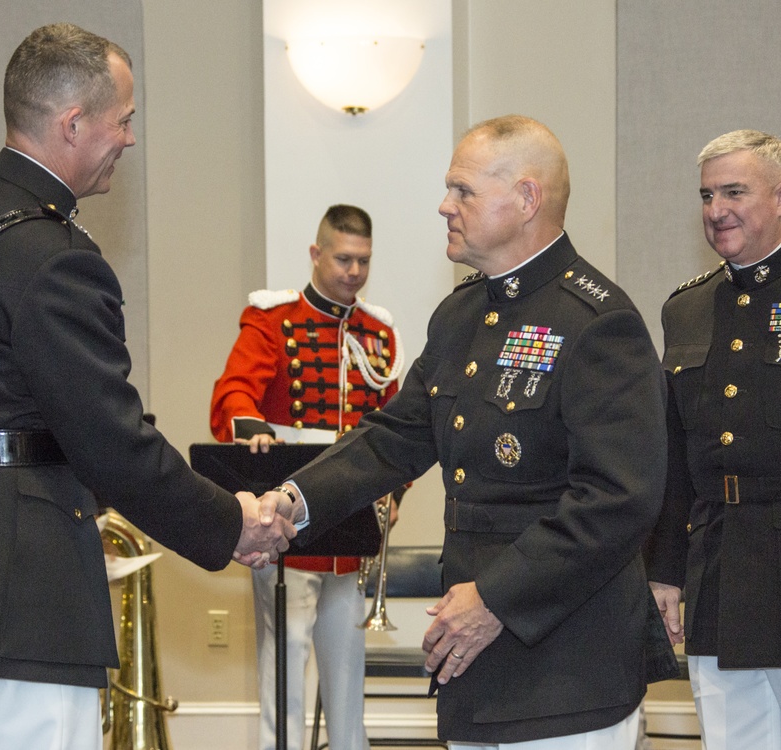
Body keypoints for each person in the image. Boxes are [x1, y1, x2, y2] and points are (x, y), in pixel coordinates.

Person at [0, 23, 295, 750]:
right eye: (123, 121)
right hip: (25, 599)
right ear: (73, 124)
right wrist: (230, 523)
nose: (129, 138)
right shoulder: (58, 257)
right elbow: (110, 441)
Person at [259, 115, 671, 748]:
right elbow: (394, 434)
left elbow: (618, 499)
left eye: (463, 191)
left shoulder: (597, 321)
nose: (444, 206)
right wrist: (289, 501)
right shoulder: (461, 314)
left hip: (566, 670)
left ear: (527, 199)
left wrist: (497, 599)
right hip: (474, 663)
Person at [210, 204, 404, 750]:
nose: (354, 272)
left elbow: (398, 429)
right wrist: (252, 434)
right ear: (316, 254)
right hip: (287, 533)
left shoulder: (378, 334)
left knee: (348, 678)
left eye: (363, 261)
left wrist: (393, 492)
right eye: (343, 258)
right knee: (285, 674)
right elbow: (233, 393)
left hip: (351, 534)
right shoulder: (275, 320)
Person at [647, 129, 781, 750]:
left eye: (734, 191)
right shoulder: (688, 309)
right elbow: (675, 457)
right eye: (706, 195)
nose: (716, 210)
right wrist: (666, 570)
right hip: (721, 571)